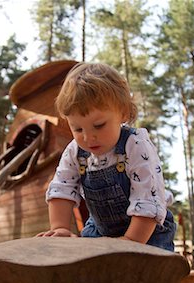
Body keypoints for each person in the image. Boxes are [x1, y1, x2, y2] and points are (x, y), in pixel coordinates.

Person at [36, 62, 176, 252]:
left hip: (147, 231)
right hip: (100, 230)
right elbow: (62, 187)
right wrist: (60, 227)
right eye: (77, 129)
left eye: (99, 125)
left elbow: (148, 197)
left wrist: (131, 241)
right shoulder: (75, 152)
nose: (88, 137)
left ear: (123, 113)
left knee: (150, 277)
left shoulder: (136, 145)